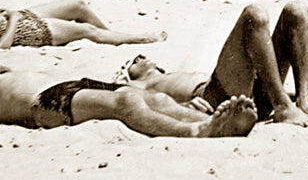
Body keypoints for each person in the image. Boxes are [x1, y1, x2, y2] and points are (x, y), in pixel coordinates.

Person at [124, 2, 308, 127]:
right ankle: (282, 107)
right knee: (253, 15)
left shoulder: (168, 75)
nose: (141, 58)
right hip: (216, 97)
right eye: (134, 60)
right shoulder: (137, 86)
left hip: (247, 91)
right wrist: (184, 107)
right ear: (124, 74)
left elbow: (241, 69)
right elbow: (141, 107)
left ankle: (302, 101)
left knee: (296, 11)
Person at [0, 66, 257, 137]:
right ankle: (197, 130)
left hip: (70, 85)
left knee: (157, 99)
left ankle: (217, 122)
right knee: (125, 101)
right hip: (43, 101)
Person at [2, 0, 165, 49]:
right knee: (87, 30)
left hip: (18, 17)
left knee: (78, 5)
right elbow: (3, 46)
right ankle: (137, 38)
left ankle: (110, 35)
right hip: (24, 31)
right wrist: (14, 19)